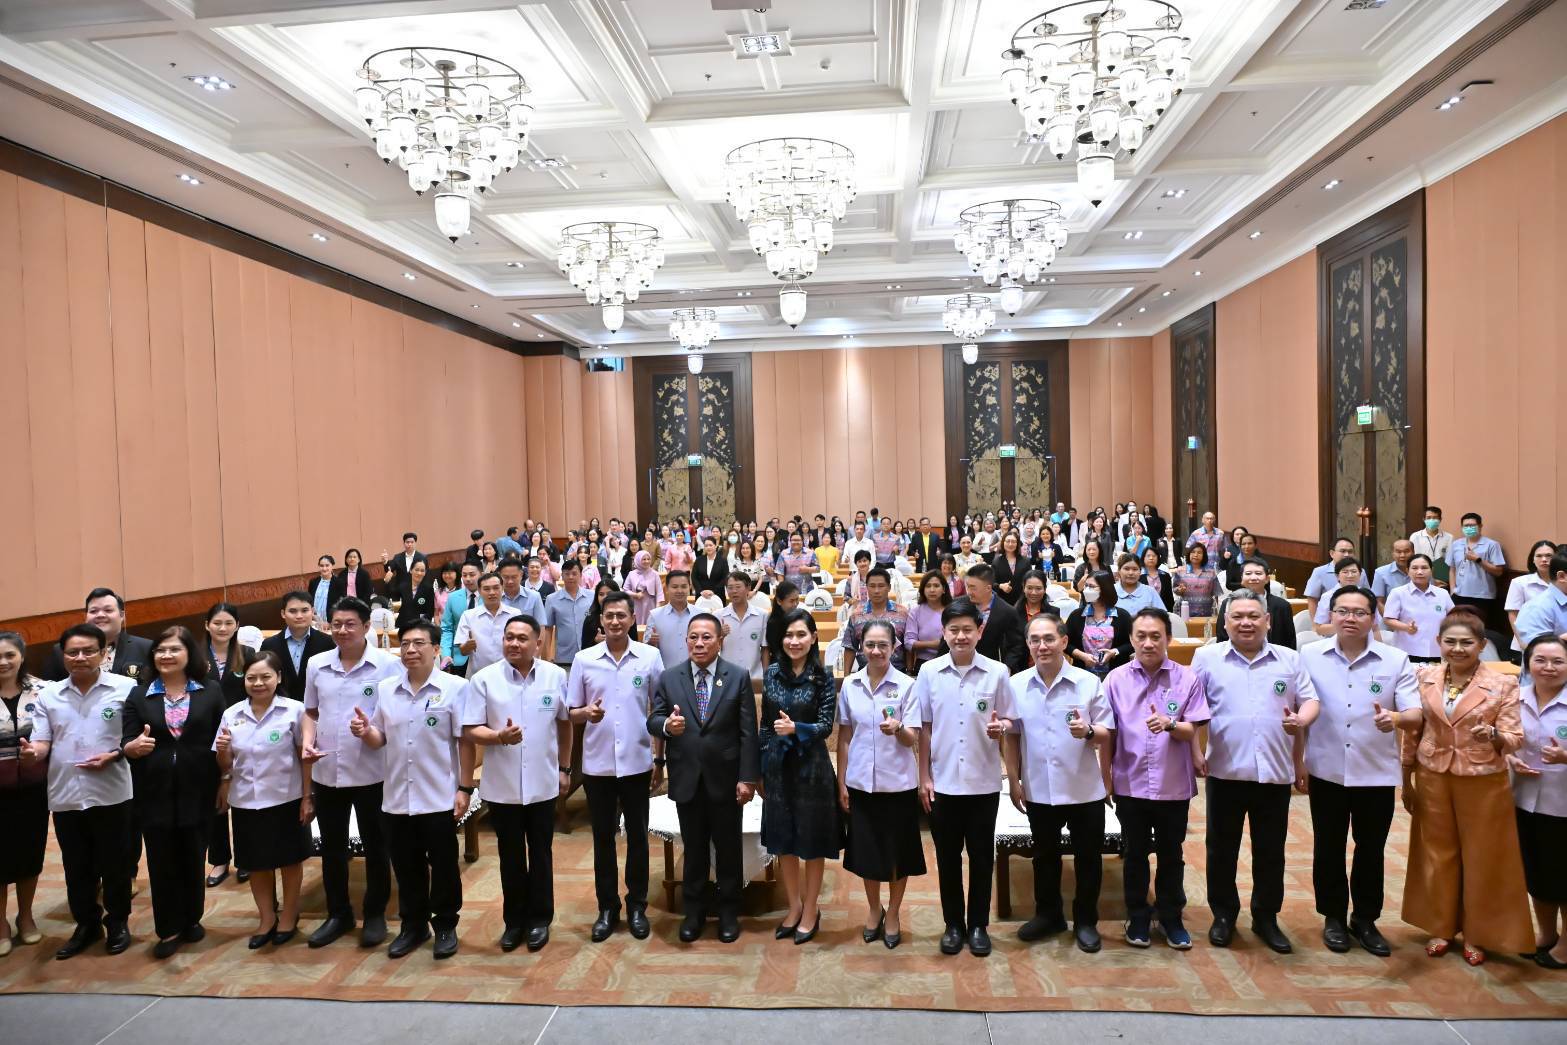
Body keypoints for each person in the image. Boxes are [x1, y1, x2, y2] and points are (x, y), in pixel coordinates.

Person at [1400, 609, 1533, 965]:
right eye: (1450, 642)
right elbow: (1414, 730)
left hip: (1482, 779)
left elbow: (1515, 737)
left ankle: (1478, 932)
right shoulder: (1424, 677)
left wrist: (1493, 734)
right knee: (1437, 853)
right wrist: (1406, 775)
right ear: (1438, 643)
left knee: (1482, 857)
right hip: (1433, 774)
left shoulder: (1503, 684)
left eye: (1466, 642)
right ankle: (1441, 926)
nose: (1457, 649)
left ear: (1482, 645)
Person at [1191, 591, 1319, 954]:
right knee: (1221, 849)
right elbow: (1189, 707)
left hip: (1274, 772)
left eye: (1253, 616)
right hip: (1225, 769)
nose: (1245, 623)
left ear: (1268, 621)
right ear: (1225, 622)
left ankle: (1266, 917)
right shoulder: (1207, 658)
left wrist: (1301, 721)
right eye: (1237, 617)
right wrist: (1195, 751)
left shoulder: (1289, 659)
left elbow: (1310, 700)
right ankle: (1223, 914)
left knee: (1270, 850)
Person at [1299, 586, 1422, 956]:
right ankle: (1333, 916)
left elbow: (1415, 714)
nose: (1350, 618)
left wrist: (1395, 718)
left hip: (1375, 771)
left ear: (1373, 618)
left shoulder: (1395, 659)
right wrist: (1296, 761)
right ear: (1331, 615)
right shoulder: (1309, 655)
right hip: (1326, 768)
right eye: (1342, 611)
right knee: (1328, 845)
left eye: (1359, 612)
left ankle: (1365, 919)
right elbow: (1298, 706)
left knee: (1371, 848)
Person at [351, 619, 471, 959]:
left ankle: (445, 925)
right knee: (406, 866)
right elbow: (380, 738)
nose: (410, 650)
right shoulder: (387, 688)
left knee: (444, 866)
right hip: (396, 797)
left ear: (436, 649)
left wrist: (464, 788)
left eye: (419, 643)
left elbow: (464, 741)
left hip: (438, 795)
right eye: (404, 644)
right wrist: (365, 731)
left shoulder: (455, 687)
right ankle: (413, 925)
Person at [24, 624, 137, 959]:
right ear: (63, 655)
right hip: (66, 792)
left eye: (89, 651)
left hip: (112, 790)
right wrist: (33, 753)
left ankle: (118, 922)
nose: (80, 657)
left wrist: (116, 754)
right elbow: (42, 741)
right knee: (76, 866)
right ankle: (86, 924)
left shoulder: (126, 688)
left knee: (115, 864)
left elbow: (132, 737)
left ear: (104, 653)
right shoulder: (49, 695)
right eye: (72, 652)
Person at [1003, 612, 1113, 954]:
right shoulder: (1017, 684)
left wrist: (1089, 731)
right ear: (1028, 644)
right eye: (1035, 640)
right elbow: (1012, 736)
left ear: (1064, 642)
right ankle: (1048, 915)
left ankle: (1086, 920)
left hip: (1083, 787)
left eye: (1049, 639)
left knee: (1088, 858)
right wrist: (1014, 780)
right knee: (1044, 856)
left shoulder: (1087, 682)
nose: (1042, 646)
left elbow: (1107, 731)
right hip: (1039, 786)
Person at [462, 615, 572, 952]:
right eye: (509, 637)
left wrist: (565, 767)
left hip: (543, 782)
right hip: (503, 786)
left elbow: (565, 723)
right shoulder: (484, 679)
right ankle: (514, 922)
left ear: (538, 643)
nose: (513, 643)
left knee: (541, 854)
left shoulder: (555, 676)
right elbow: (470, 729)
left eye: (522, 638)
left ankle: (539, 919)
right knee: (510, 856)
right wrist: (498, 737)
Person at [1102, 608, 1210, 949]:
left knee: (1170, 853)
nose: (1148, 643)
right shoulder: (1115, 680)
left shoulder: (1187, 678)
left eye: (1155, 636)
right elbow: (1108, 733)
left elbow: (1193, 729)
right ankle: (1137, 915)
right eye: (1141, 636)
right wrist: (1106, 777)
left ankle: (1170, 916)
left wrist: (1170, 724)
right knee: (1134, 853)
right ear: (1131, 639)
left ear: (1168, 639)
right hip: (1129, 781)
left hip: (1172, 782)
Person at [649, 614, 758, 944]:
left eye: (706, 637)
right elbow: (654, 719)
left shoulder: (737, 676)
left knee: (728, 850)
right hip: (687, 779)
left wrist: (748, 778)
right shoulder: (670, 677)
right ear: (686, 641)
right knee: (694, 850)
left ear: (719, 641)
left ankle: (728, 913)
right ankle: (693, 913)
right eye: (693, 637)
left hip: (726, 780)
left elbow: (748, 733)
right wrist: (667, 726)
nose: (699, 643)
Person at [915, 598, 1014, 957]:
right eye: (953, 630)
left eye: (967, 630)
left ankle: (978, 925)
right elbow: (924, 727)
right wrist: (924, 776)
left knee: (982, 857)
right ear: (943, 632)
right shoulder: (929, 673)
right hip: (942, 782)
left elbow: (1009, 718)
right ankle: (953, 924)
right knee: (947, 857)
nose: (960, 636)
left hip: (983, 781)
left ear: (979, 631)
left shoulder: (997, 672)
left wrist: (1001, 727)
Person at [300, 596, 400, 949]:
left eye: (350, 624)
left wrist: (369, 729)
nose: (342, 630)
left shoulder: (387, 665)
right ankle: (338, 913)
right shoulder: (317, 664)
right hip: (327, 770)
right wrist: (307, 741)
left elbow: (393, 717)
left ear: (367, 626)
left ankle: (374, 914)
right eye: (336, 624)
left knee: (376, 846)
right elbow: (310, 712)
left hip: (372, 771)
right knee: (333, 847)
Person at [568, 591, 664, 943]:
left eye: (621, 615)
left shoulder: (650, 657)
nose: (615, 621)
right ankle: (607, 907)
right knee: (603, 839)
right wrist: (586, 713)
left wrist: (659, 760)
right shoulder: (584, 659)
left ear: (632, 619)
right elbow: (571, 711)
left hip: (638, 762)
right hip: (598, 766)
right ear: (601, 619)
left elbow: (660, 712)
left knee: (638, 838)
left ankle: (637, 906)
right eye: (609, 615)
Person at [122, 626, 222, 958]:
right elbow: (127, 741)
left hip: (200, 786)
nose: (166, 655)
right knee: (162, 859)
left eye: (174, 649)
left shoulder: (210, 691)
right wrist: (132, 747)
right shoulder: (140, 695)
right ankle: (168, 928)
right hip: (154, 790)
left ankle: (192, 918)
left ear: (189, 654)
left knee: (194, 855)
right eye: (161, 650)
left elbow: (223, 738)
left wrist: (225, 780)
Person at [214, 650, 314, 949]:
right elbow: (225, 764)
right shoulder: (232, 714)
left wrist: (307, 797)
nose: (258, 683)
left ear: (278, 678)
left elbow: (305, 758)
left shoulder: (295, 711)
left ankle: (290, 914)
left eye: (265, 677)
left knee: (289, 861)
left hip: (286, 798)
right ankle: (267, 917)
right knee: (256, 863)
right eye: (251, 678)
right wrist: (223, 751)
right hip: (247, 800)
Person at [835, 619, 923, 949]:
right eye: (870, 645)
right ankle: (874, 909)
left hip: (898, 784)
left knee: (899, 854)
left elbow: (912, 738)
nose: (876, 651)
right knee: (867, 853)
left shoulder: (907, 686)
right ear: (861, 647)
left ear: (894, 647)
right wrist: (842, 782)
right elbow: (845, 737)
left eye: (882, 645)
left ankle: (895, 912)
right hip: (860, 782)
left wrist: (898, 728)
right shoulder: (850, 685)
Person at [759, 609, 839, 944]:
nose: (794, 641)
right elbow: (765, 725)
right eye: (789, 635)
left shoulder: (823, 676)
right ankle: (793, 907)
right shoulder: (772, 673)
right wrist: (763, 765)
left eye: (801, 634)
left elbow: (826, 725)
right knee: (784, 841)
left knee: (812, 842)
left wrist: (797, 728)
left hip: (812, 770)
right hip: (778, 768)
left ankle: (811, 909)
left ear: (813, 637)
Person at [1508, 634, 1567, 969]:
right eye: (1540, 660)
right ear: (1528, 663)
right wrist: (1509, 758)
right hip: (1524, 799)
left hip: (1563, 804)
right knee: (1536, 872)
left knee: (1563, 875)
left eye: (1558, 661)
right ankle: (1546, 934)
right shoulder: (1515, 698)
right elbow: (1503, 741)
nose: (1549, 667)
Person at [0, 632, 47, 956]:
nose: (3, 662)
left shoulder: (43, 691)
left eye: (9, 655)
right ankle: (0, 924)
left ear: (21, 656)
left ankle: (26, 916)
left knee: (30, 854)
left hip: (33, 790)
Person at [201, 602, 255, 886]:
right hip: (205, 736)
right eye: (217, 623)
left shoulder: (247, 655)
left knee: (244, 799)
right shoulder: (195, 656)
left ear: (237, 626)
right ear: (207, 625)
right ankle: (219, 859)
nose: (222, 628)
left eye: (228, 623)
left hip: (243, 735)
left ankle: (246, 858)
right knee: (216, 801)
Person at [40, 588, 154, 682]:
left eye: (108, 610)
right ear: (86, 617)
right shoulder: (61, 651)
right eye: (93, 611)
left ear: (122, 615)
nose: (100, 615)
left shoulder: (146, 648)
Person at [941, 564, 1026, 673]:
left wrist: (1007, 668)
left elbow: (1016, 645)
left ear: (988, 588)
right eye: (967, 586)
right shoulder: (957, 604)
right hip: (956, 667)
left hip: (990, 670)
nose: (969, 591)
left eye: (973, 587)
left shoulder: (1007, 611)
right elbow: (945, 638)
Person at [260, 591, 334, 702]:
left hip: (318, 705)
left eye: (304, 610)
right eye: (293, 611)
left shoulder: (327, 642)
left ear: (312, 611)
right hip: (280, 706)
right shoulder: (269, 644)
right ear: (283, 613)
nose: (299, 616)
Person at [1383, 554, 1454, 663]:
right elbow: (1388, 619)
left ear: (1432, 570)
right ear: (1407, 570)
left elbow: (1454, 617)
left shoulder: (1442, 593)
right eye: (1415, 568)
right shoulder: (1398, 593)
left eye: (1424, 568)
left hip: (1436, 651)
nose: (1420, 572)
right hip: (1407, 651)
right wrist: (1406, 627)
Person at [1214, 561, 1296, 650]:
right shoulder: (1228, 603)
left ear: (1267, 579)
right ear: (1241, 578)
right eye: (1248, 573)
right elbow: (1221, 638)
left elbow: (1290, 641)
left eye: (1258, 573)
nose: (1253, 577)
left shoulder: (1282, 606)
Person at [842, 568, 909, 674]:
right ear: (866, 587)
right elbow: (850, 647)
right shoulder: (857, 614)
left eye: (881, 586)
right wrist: (846, 676)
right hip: (865, 673)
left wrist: (909, 672)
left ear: (889, 587)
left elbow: (908, 646)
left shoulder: (903, 613)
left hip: (898, 673)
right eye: (872, 586)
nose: (876, 591)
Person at [1065, 571, 1131, 678]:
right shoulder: (1076, 615)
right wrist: (1082, 656)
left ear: (1105, 588)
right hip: (1082, 674)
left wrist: (1114, 652)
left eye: (1091, 586)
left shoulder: (1122, 616)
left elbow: (1132, 643)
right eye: (1086, 586)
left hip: (1115, 676)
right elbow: (1065, 643)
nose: (1086, 590)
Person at [1445, 512, 1507, 623]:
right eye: (1466, 526)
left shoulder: (1492, 545)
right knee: (1459, 626)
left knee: (1478, 628)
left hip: (1483, 596)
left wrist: (1478, 560)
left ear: (1480, 526)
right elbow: (1452, 569)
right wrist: (1452, 590)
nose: (1469, 528)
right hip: (1459, 594)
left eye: (1472, 525)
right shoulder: (1456, 544)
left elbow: (1498, 571)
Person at [1507, 541, 1560, 657]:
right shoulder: (1519, 583)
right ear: (1533, 559)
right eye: (1539, 556)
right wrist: (1522, 643)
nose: (1544, 559)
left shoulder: (1562, 582)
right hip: (1527, 642)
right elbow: (1513, 615)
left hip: (1558, 641)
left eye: (1549, 555)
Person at [456, 572, 512, 678]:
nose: (492, 592)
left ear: (502, 588)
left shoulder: (515, 614)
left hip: (508, 675)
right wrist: (467, 646)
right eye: (486, 589)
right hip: (478, 676)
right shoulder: (468, 616)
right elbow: (463, 651)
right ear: (479, 591)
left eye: (496, 588)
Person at [543, 558, 595, 672]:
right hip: (564, 657)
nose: (571, 577)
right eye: (567, 574)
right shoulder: (552, 599)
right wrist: (548, 656)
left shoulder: (592, 596)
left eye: (574, 574)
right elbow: (548, 629)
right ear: (562, 575)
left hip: (590, 654)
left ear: (581, 575)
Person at [717, 572, 769, 681]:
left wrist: (766, 676)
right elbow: (712, 649)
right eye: (730, 588)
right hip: (726, 677)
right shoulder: (718, 615)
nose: (734, 591)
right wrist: (720, 636)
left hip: (754, 676)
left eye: (738, 587)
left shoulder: (762, 615)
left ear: (748, 587)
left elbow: (765, 649)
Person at [1312, 558, 1382, 638]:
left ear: (1360, 575)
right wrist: (1347, 626)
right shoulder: (1327, 596)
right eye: (1345, 572)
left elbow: (1375, 627)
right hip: (1335, 641)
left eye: (1354, 572)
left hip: (1364, 641)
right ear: (1337, 576)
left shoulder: (1368, 596)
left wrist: (1379, 645)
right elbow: (1319, 628)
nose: (1350, 575)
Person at [646, 570, 696, 669]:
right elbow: (646, 649)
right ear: (667, 589)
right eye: (675, 587)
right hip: (665, 672)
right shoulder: (655, 615)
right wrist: (651, 642)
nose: (679, 591)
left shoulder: (700, 614)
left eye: (684, 586)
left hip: (695, 672)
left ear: (689, 587)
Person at [439, 562, 482, 676]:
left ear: (481, 574)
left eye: (472, 574)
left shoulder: (489, 596)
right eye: (464, 575)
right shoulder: (453, 597)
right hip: (458, 656)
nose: (468, 579)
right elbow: (446, 628)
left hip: (484, 655)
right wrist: (446, 654)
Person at [1304, 537, 1358, 622]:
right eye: (1343, 551)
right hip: (1327, 620)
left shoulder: (1360, 572)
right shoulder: (1319, 572)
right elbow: (1312, 600)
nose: (1347, 555)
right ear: (1332, 553)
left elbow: (1365, 594)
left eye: (1350, 551)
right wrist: (1315, 624)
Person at [390, 559, 437, 635]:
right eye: (416, 570)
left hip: (420, 627)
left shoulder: (428, 589)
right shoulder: (403, 586)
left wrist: (420, 625)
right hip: (402, 626)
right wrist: (387, 581)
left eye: (422, 571)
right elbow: (392, 596)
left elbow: (430, 612)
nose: (419, 573)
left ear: (425, 572)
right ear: (411, 570)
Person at [1410, 506, 1455, 587]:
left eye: (1435, 518)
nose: (1432, 520)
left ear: (1440, 519)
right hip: (1421, 576)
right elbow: (1412, 559)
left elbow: (1450, 560)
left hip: (1442, 579)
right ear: (1424, 519)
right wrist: (1431, 580)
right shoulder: (1415, 536)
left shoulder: (1449, 537)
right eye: (1429, 518)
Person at [1371, 539, 1416, 613]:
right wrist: (1390, 618)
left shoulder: (1421, 571)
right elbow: (1379, 602)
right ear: (1393, 553)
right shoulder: (1381, 572)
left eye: (1406, 551)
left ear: (1413, 552)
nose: (1402, 555)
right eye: (1398, 552)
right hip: (1390, 616)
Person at [1111, 554, 1160, 618]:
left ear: (1140, 571)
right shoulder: (1110, 591)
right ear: (1119, 571)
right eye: (1126, 569)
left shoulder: (1150, 592)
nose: (1131, 573)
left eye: (1135, 569)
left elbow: (1162, 617)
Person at [622, 551, 663, 628]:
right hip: (636, 605)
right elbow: (625, 590)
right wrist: (635, 595)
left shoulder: (655, 574)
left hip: (651, 605)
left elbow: (659, 593)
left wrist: (657, 609)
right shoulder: (631, 574)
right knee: (636, 627)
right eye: (644, 559)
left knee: (650, 628)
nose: (647, 561)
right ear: (638, 560)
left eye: (648, 559)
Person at [991, 531, 1030, 599]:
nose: (1010, 544)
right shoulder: (996, 561)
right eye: (1007, 541)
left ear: (1017, 544)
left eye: (1013, 541)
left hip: (1022, 599)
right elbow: (991, 582)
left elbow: (1030, 580)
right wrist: (1000, 586)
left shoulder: (1025, 561)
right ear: (1003, 543)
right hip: (1003, 599)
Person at [1139, 545, 1175, 610]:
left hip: (1163, 612)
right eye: (1148, 556)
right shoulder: (1139, 576)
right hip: (1144, 612)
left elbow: (1170, 599)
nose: (1151, 558)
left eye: (1154, 556)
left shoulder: (1165, 575)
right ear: (1143, 558)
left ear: (1158, 558)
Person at [309, 554, 337, 623]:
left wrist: (331, 622)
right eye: (321, 566)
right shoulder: (313, 582)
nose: (324, 568)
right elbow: (309, 600)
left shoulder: (339, 583)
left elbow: (340, 605)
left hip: (330, 622)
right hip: (314, 620)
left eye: (327, 565)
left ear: (332, 566)